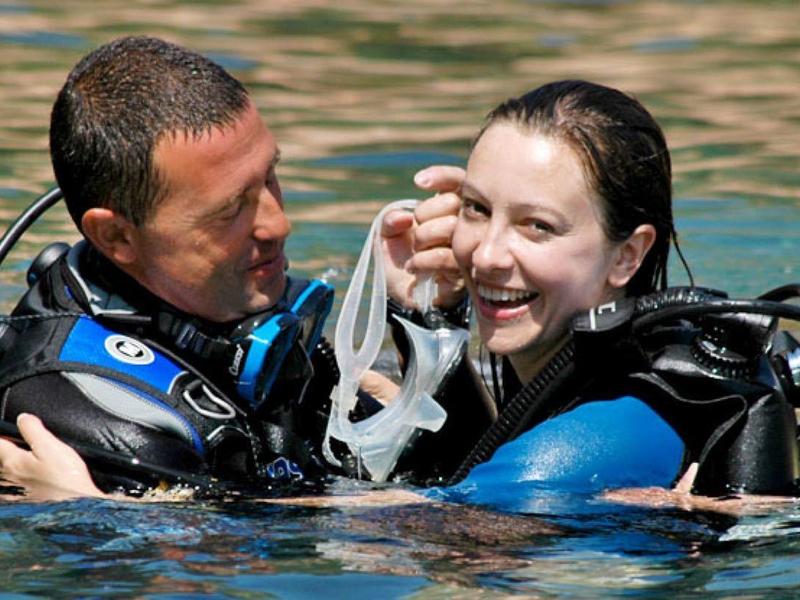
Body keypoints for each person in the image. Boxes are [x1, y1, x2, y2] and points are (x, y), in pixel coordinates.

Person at [0, 36, 483, 499]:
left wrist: (430, 320)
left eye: (270, 177)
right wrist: (94, 509)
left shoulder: (231, 316)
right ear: (117, 237)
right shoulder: (81, 418)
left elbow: (460, 471)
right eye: (231, 210)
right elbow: (462, 533)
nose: (279, 224)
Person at [388, 80, 800, 505]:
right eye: (477, 208)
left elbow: (428, 528)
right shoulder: (610, 382)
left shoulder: (604, 436)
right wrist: (423, 310)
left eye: (537, 226)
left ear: (626, 255)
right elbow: (474, 458)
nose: (488, 255)